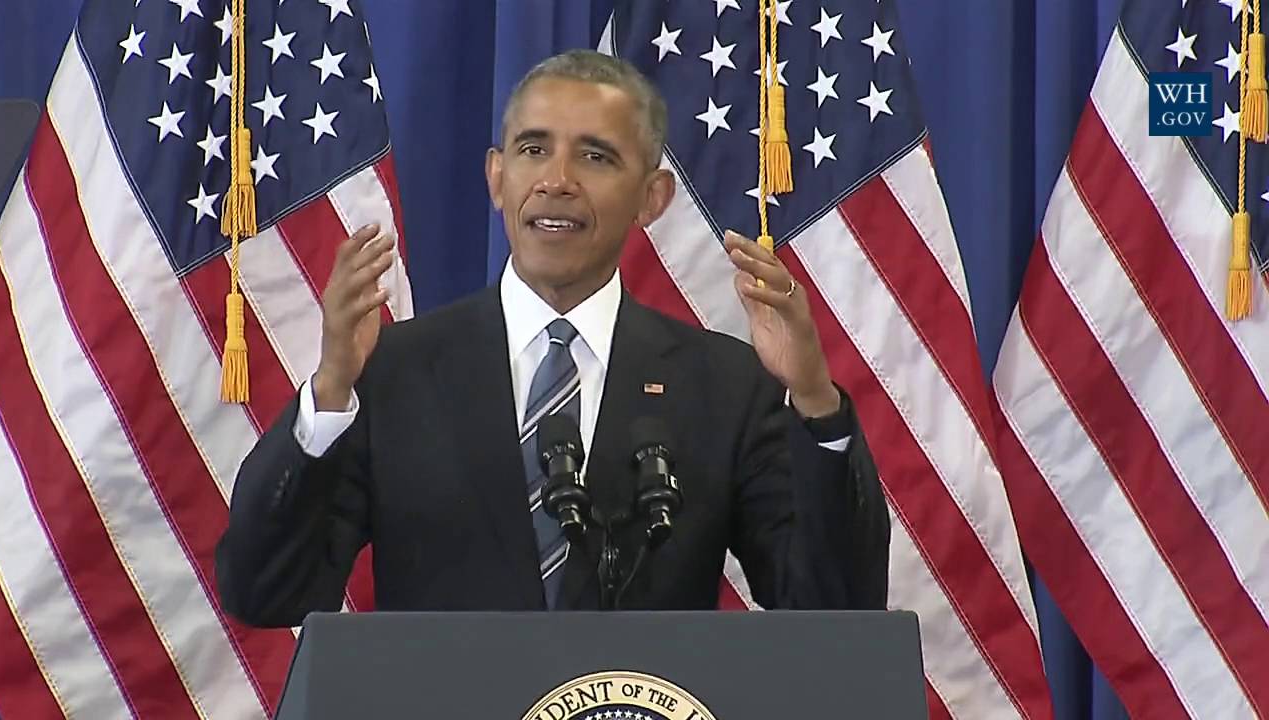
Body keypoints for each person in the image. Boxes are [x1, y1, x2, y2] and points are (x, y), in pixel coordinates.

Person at [215, 50, 888, 627]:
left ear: (651, 197)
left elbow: (831, 609)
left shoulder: (723, 383)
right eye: (533, 149)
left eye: (595, 156)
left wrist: (815, 401)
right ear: (497, 177)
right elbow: (267, 593)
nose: (557, 180)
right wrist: (332, 390)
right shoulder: (392, 371)